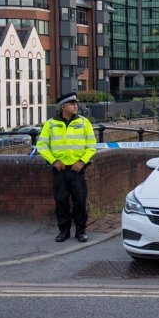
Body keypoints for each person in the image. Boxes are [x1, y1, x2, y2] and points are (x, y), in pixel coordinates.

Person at [37, 92, 97, 243]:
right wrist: (54, 161)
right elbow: (42, 146)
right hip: (60, 170)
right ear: (63, 106)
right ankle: (64, 231)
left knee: (80, 200)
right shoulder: (50, 124)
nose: (76, 106)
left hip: (78, 169)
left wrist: (82, 162)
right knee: (61, 201)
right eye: (72, 103)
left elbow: (91, 146)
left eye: (76, 103)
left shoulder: (84, 123)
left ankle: (80, 230)